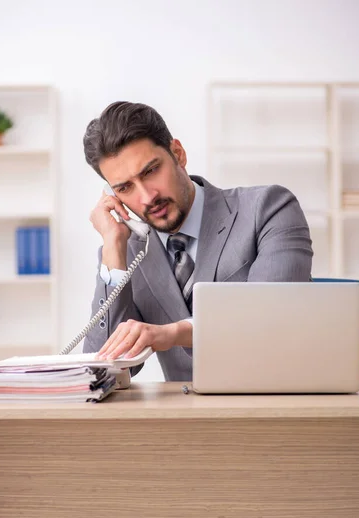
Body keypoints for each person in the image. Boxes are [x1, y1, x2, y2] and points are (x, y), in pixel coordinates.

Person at [82, 101, 313, 381]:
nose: (146, 197)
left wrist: (172, 333)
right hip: (185, 420)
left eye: (150, 171)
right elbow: (101, 374)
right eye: (125, 188)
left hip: (274, 409)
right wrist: (113, 248)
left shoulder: (268, 209)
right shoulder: (125, 252)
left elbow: (274, 320)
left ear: (178, 154)